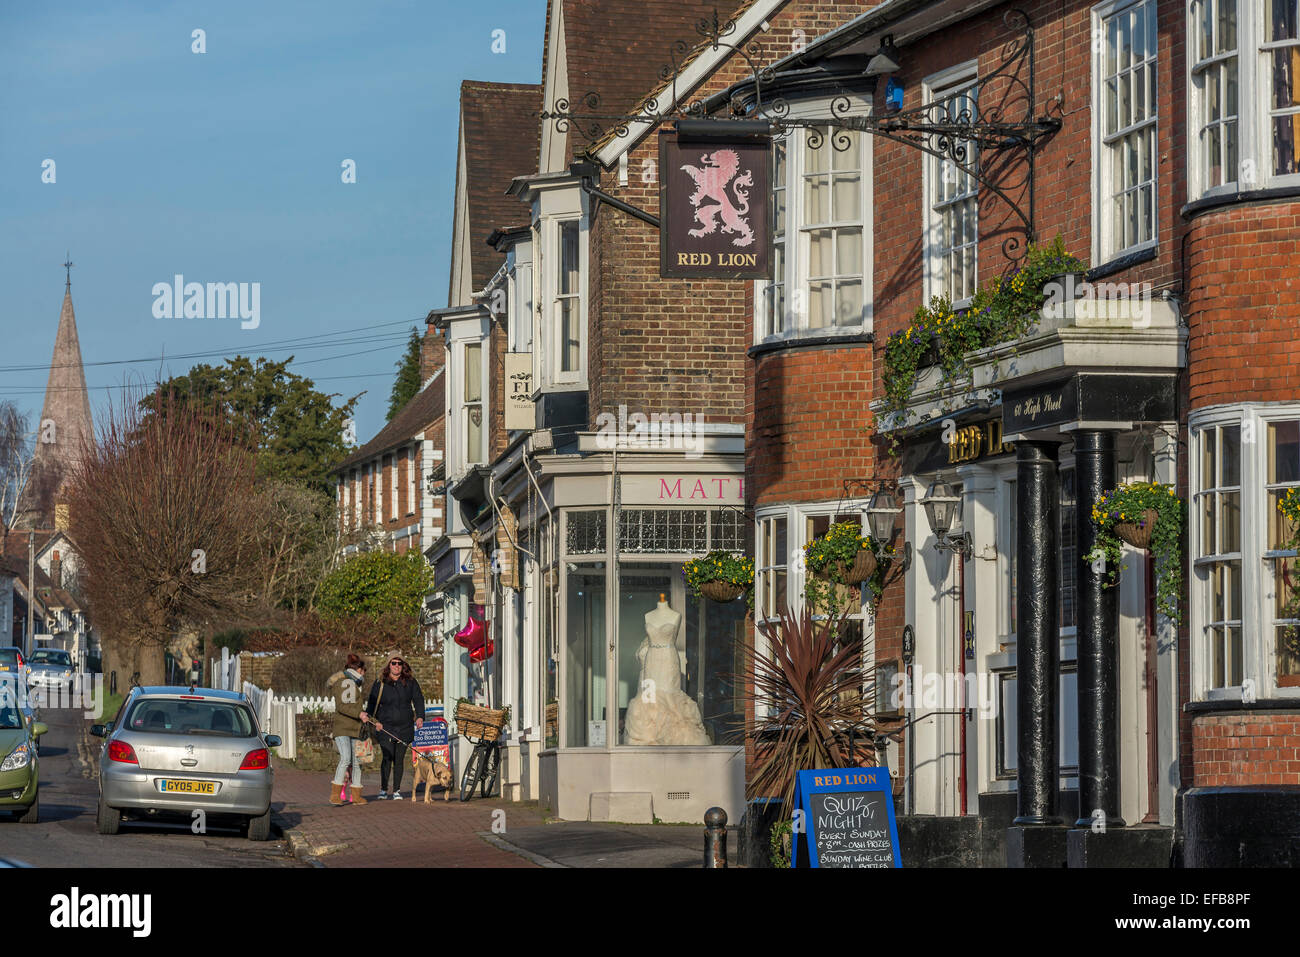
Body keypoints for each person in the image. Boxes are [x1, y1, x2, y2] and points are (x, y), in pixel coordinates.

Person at [360, 652, 424, 800]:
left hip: (405, 726)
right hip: (385, 726)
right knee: (387, 757)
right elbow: (372, 703)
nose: (396, 666)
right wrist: (372, 721)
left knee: (399, 758)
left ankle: (396, 790)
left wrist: (420, 716)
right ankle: (383, 789)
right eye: (393, 663)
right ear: (388, 665)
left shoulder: (410, 682)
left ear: (403, 666)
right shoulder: (380, 683)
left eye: (399, 663)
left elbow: (419, 699)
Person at [327, 654, 369, 806]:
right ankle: (335, 795)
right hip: (343, 729)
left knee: (357, 761)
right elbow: (342, 707)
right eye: (364, 670)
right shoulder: (345, 683)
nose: (364, 673)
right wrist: (359, 714)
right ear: (358, 670)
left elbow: (357, 708)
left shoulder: (353, 683)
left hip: (354, 728)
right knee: (345, 758)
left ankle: (356, 796)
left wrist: (374, 722)